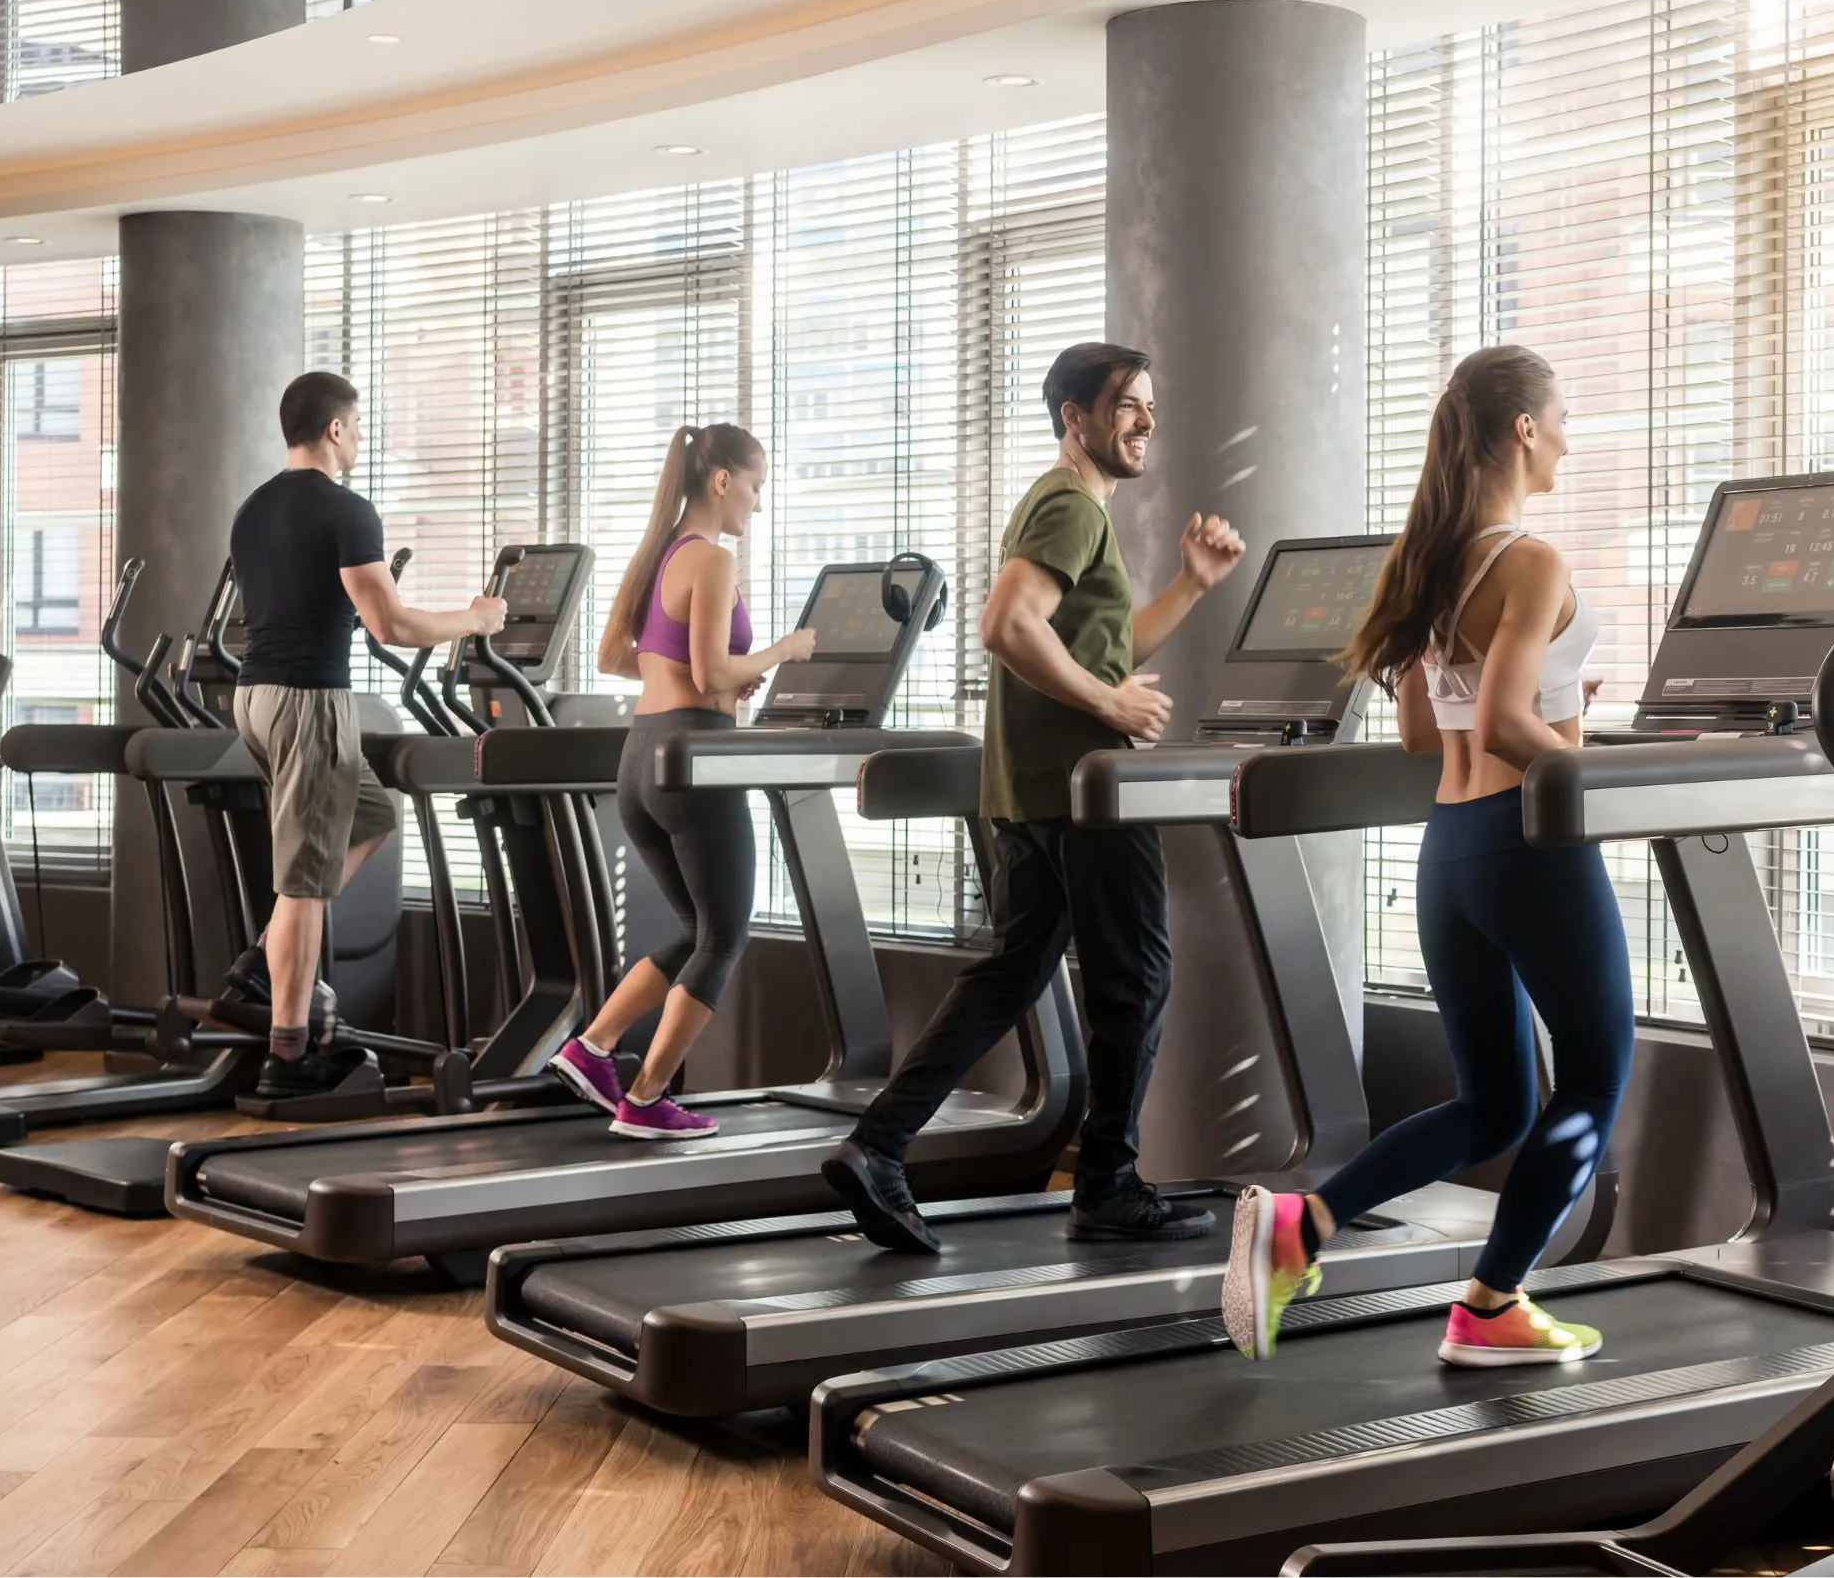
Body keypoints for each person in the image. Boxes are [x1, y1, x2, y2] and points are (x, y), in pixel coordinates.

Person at [1224, 344, 1629, 1368]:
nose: (1569, 442)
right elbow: (1499, 720)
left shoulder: (1429, 560)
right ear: (1524, 429)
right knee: (1590, 1082)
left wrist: (1558, 710)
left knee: (1491, 1103)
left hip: (1447, 852)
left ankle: (1302, 1226)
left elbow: (1422, 730)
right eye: (1562, 419)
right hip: (1528, 847)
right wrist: (1611, 779)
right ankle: (1491, 1304)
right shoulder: (1529, 560)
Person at [821, 342, 1245, 1252]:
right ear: (1075, 417)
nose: (1143, 422)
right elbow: (1006, 626)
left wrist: (1188, 588)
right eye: (1125, 404)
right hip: (1085, 796)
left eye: (1149, 409)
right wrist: (1106, 704)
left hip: (1030, 792)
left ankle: (878, 1144)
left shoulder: (1070, 508)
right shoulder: (1067, 502)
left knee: (1011, 973)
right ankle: (1107, 1184)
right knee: (1137, 979)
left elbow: (1093, 646)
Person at [229, 370, 506, 1099]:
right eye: (356, 425)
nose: (359, 438)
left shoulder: (253, 510)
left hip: (253, 696)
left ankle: (264, 959)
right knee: (304, 881)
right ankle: (287, 1058)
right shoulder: (346, 509)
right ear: (335, 429)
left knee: (370, 816)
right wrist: (475, 620)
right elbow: (392, 623)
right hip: (307, 700)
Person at [544, 424, 816, 1139]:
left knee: (696, 928)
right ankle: (646, 1095)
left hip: (639, 758)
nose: (754, 504)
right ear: (722, 480)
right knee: (725, 935)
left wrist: (705, 682)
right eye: (753, 486)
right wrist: (781, 651)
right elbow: (710, 674)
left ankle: (592, 1045)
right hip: (694, 761)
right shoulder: (712, 560)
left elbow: (615, 656)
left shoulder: (656, 552)